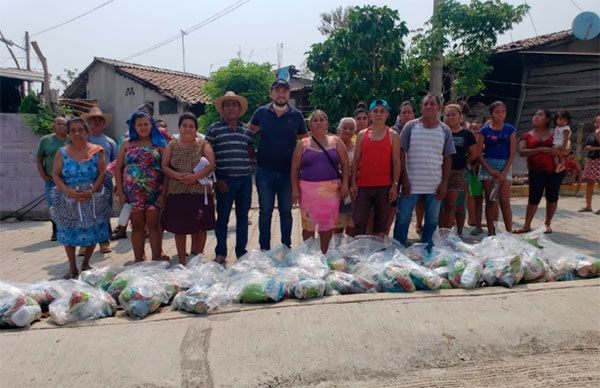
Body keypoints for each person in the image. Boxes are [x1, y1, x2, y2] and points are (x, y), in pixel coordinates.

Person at [249, 79, 307, 250]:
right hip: (264, 171)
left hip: (288, 173)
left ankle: (286, 247)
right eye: (277, 91)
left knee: (286, 213)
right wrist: (250, 154)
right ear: (271, 93)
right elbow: (247, 133)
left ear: (288, 94)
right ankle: (264, 249)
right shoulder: (261, 113)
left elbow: (304, 141)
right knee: (265, 212)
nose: (281, 94)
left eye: (284, 91)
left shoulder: (296, 115)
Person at [50, 117, 111, 279]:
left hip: (91, 197)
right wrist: (68, 192)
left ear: (87, 132)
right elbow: (55, 175)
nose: (77, 133)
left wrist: (92, 191)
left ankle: (86, 263)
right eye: (73, 130)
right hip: (68, 197)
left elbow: (102, 172)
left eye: (81, 130)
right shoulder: (62, 153)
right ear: (69, 133)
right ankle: (72, 267)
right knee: (68, 232)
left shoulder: (96, 151)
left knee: (93, 230)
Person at [393, 94, 456, 251]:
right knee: (402, 219)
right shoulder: (410, 127)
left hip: (434, 184)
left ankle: (426, 252)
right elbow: (401, 154)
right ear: (421, 108)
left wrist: (444, 183)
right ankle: (398, 252)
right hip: (411, 184)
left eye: (432, 104)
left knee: (432, 221)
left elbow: (448, 158)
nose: (428, 106)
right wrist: (404, 179)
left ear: (438, 108)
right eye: (425, 104)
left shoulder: (445, 130)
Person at [205, 92, 254, 264]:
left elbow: (250, 154)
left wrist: (250, 172)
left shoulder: (246, 130)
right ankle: (221, 253)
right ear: (222, 109)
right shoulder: (214, 129)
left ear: (240, 109)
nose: (231, 108)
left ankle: (241, 252)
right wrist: (217, 179)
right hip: (225, 181)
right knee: (223, 219)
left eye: (235, 105)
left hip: (245, 181)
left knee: (242, 217)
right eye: (228, 105)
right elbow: (207, 159)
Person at [291, 110, 350, 253]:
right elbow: (294, 167)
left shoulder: (336, 142)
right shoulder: (303, 144)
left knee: (327, 226)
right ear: (309, 125)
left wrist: (346, 185)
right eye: (314, 120)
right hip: (308, 191)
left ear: (327, 123)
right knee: (308, 226)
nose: (318, 122)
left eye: (322, 119)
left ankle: (323, 256)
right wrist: (295, 190)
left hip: (331, 192)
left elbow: (345, 164)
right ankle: (309, 257)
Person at [162, 112, 216, 265]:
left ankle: (198, 259)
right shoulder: (172, 144)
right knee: (180, 228)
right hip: (178, 192)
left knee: (200, 227)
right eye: (184, 126)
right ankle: (181, 261)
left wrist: (195, 176)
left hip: (199, 192)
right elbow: (164, 166)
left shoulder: (203, 144)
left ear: (196, 129)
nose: (187, 129)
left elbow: (211, 164)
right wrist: (178, 175)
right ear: (179, 128)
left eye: (191, 126)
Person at [116, 111, 166, 262]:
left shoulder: (159, 143)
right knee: (137, 227)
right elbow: (118, 168)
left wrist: (164, 193)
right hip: (133, 194)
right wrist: (120, 192)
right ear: (134, 126)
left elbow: (167, 169)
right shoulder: (126, 143)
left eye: (146, 124)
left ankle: (156, 258)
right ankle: (139, 259)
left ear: (151, 125)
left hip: (154, 193)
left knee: (154, 226)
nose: (143, 127)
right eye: (139, 125)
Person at [351, 99, 401, 237]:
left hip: (384, 186)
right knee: (359, 222)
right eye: (375, 111)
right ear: (370, 114)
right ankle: (360, 254)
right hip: (363, 186)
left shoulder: (393, 135)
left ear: (387, 115)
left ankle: (378, 255)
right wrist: (353, 183)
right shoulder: (362, 135)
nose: (379, 114)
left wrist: (395, 185)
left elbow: (396, 162)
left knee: (380, 224)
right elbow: (355, 161)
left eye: (382, 111)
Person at [515, 109, 568, 234]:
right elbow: (522, 152)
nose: (536, 117)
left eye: (540, 115)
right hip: (536, 171)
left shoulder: (556, 132)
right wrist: (541, 149)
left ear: (548, 119)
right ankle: (526, 225)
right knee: (533, 198)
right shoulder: (527, 135)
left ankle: (547, 224)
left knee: (552, 197)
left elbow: (565, 147)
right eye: (535, 114)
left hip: (555, 171)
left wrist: (559, 151)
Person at [477, 101, 516, 235]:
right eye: (497, 112)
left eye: (503, 112)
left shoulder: (510, 130)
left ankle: (509, 233)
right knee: (490, 201)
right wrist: (490, 170)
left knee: (505, 201)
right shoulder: (484, 131)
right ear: (491, 114)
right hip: (489, 167)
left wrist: (504, 172)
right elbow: (478, 153)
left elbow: (512, 152)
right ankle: (491, 234)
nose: (500, 115)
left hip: (505, 166)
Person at [82, 107, 117, 254]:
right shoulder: (83, 140)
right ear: (88, 123)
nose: (97, 122)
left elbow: (116, 163)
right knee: (85, 212)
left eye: (99, 120)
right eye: (93, 120)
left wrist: (117, 182)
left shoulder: (110, 142)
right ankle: (85, 243)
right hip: (86, 181)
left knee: (104, 211)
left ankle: (104, 241)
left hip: (106, 181)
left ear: (103, 123)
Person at [438, 104, 477, 236]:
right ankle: (440, 232)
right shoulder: (440, 132)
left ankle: (455, 233)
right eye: (447, 115)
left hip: (458, 173)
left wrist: (463, 162)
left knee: (454, 205)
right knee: (439, 205)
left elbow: (474, 153)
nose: (450, 117)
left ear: (460, 117)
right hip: (439, 172)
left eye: (454, 114)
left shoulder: (466, 134)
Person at [36, 116, 68, 241]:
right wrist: (44, 177)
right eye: (59, 124)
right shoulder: (46, 140)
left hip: (68, 180)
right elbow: (39, 160)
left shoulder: (71, 140)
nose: (62, 126)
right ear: (54, 126)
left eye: (64, 124)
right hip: (52, 180)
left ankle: (67, 229)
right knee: (53, 205)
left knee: (68, 205)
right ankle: (56, 230)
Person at [390, 101, 417, 235]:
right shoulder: (392, 131)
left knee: (407, 209)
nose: (406, 115)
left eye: (409, 112)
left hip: (414, 174)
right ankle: (389, 237)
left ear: (414, 114)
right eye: (403, 112)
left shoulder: (419, 130)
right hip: (394, 174)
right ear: (399, 115)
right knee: (392, 207)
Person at [333, 117, 356, 236]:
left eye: (351, 128)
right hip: (334, 190)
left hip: (352, 190)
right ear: (339, 129)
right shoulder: (332, 146)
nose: (348, 130)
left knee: (352, 223)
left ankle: (349, 253)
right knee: (337, 224)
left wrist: (352, 184)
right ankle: (336, 252)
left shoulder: (357, 147)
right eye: (345, 128)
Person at [466, 117, 485, 235]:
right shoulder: (468, 142)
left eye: (477, 129)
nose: (475, 131)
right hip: (472, 173)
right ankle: (474, 221)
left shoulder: (484, 142)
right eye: (472, 129)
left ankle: (486, 223)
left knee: (484, 199)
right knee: (474, 197)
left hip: (484, 172)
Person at [579, 114, 600, 214]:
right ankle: (588, 206)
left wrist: (593, 147)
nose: (598, 124)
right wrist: (596, 148)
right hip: (591, 160)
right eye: (597, 122)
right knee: (590, 183)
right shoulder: (592, 134)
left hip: (599, 160)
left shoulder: (597, 133)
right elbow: (586, 147)